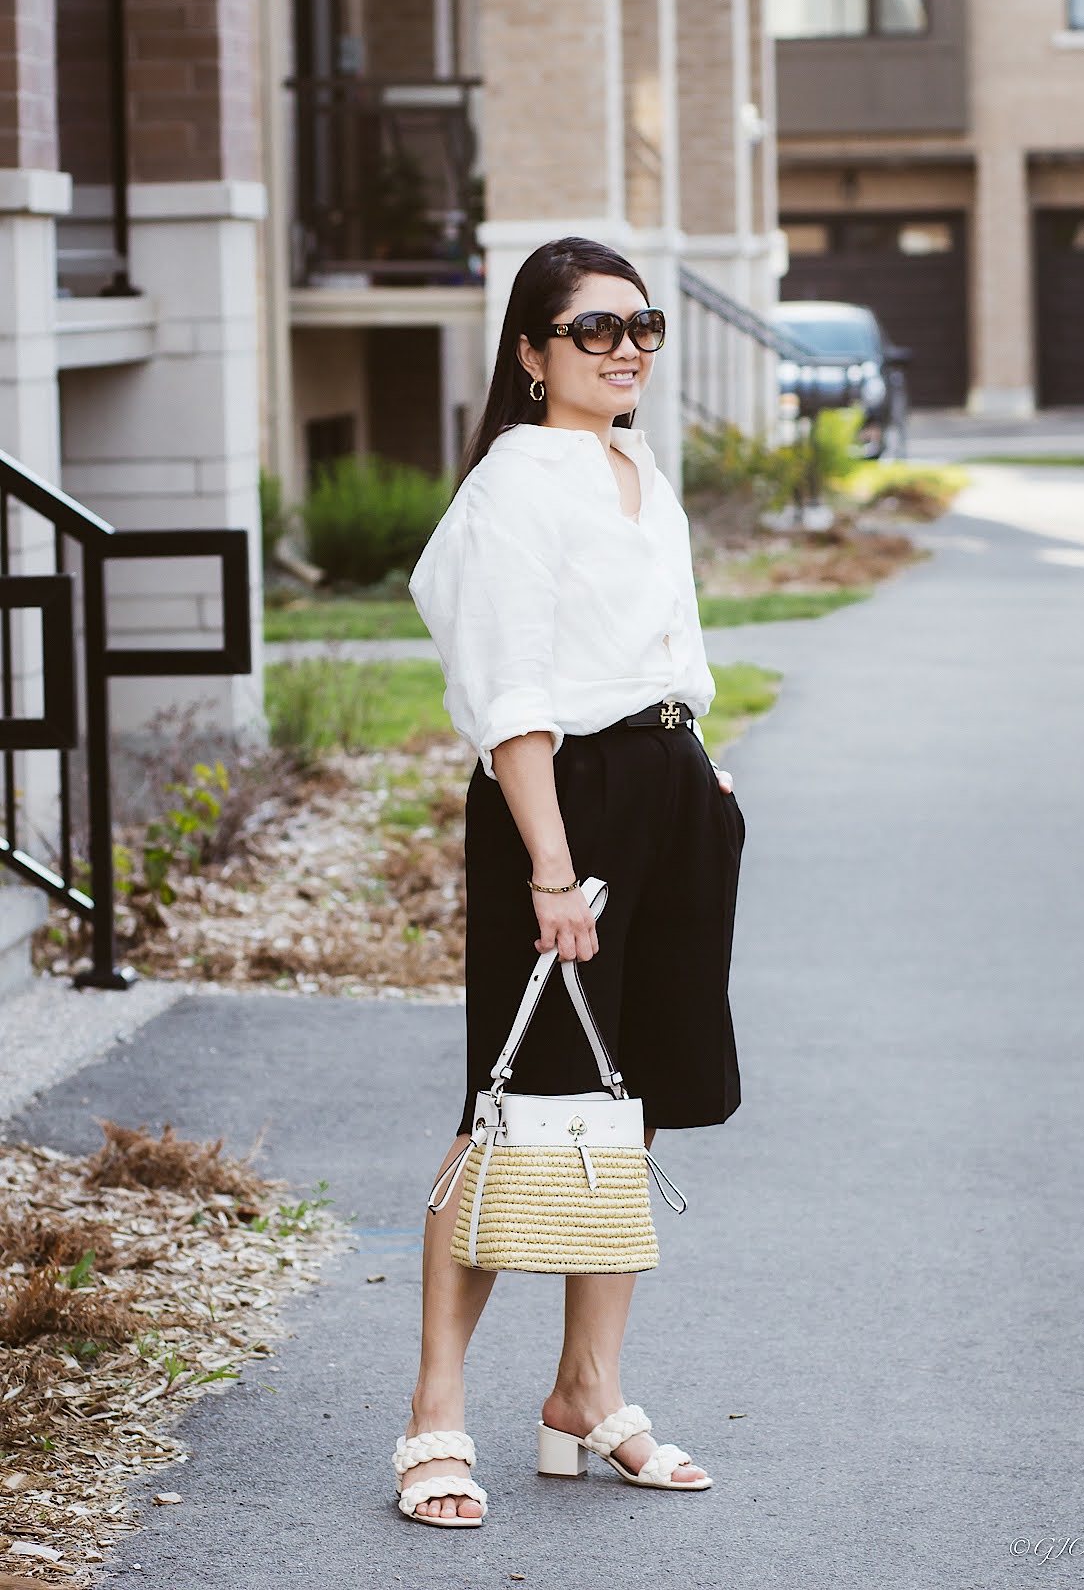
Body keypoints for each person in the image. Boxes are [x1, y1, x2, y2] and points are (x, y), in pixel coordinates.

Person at [396, 235, 746, 1528]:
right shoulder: (515, 484)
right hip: (566, 807)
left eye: (640, 325)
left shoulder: (635, 464)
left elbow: (669, 643)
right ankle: (437, 1410)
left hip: (666, 790)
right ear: (534, 353)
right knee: (510, 1110)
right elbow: (511, 693)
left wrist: (702, 783)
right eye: (594, 330)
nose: (626, 348)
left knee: (627, 1097)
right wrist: (552, 861)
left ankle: (585, 1394)